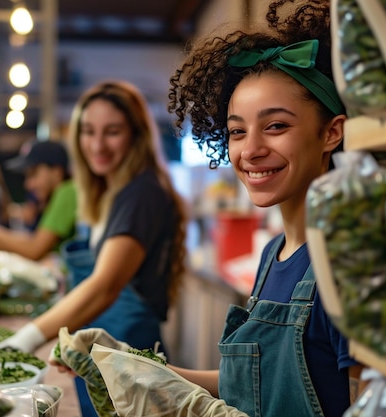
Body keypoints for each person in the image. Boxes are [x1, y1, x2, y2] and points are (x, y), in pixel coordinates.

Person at [56, 2, 364, 417]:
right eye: (237, 131)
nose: (251, 150)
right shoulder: (273, 256)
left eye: (276, 126)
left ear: (331, 132)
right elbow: (248, 386)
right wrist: (134, 366)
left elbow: (372, 404)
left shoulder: (347, 262)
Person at [0, 80, 188, 416]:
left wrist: (25, 338)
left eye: (112, 131)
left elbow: (104, 286)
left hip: (127, 349)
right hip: (99, 350)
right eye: (88, 131)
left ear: (136, 134)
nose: (97, 144)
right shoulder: (110, 190)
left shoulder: (141, 194)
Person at [0, 140, 78, 261]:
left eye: (34, 174)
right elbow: (29, 240)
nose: (28, 184)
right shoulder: (55, 196)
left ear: (57, 171)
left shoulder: (67, 191)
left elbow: (34, 249)